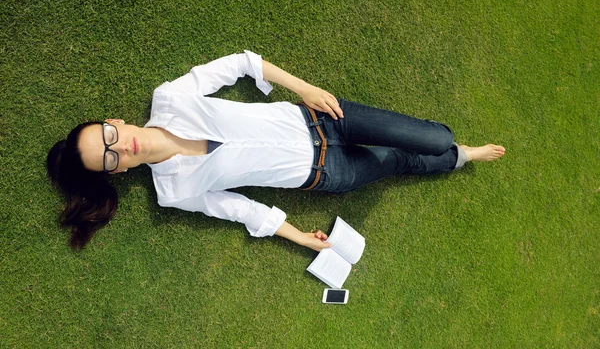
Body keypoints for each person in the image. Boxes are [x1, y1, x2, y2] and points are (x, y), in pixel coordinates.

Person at [47, 51, 505, 251]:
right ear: (118, 171)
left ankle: (450, 146)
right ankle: (463, 156)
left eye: (108, 138)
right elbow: (238, 210)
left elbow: (241, 64)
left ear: (114, 123)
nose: (119, 148)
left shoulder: (170, 98)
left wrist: (305, 89)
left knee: (432, 138)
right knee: (400, 160)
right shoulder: (173, 191)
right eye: (110, 159)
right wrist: (301, 238)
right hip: (327, 172)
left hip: (322, 118)